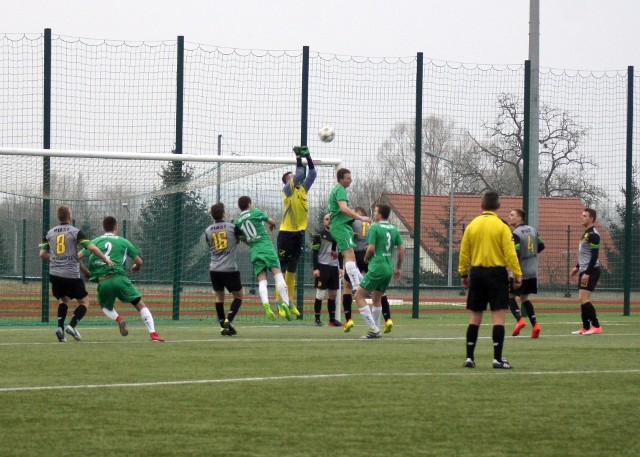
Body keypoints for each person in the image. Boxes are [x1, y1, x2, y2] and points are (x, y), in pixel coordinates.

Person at [458, 191, 522, 369]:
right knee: (498, 317)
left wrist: (464, 273)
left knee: (475, 317)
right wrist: (518, 274)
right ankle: (497, 359)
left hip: (477, 273)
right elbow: (510, 253)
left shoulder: (472, 225)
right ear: (498, 207)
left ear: (481, 206)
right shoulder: (502, 227)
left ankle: (469, 358)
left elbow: (464, 252)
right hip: (497, 274)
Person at [80, 216, 165, 342]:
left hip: (103, 282)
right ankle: (153, 334)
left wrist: (86, 272)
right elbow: (139, 261)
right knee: (140, 305)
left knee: (105, 307)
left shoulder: (95, 241)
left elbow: (78, 257)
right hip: (119, 278)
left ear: (103, 227)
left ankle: (119, 319)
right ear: (116, 227)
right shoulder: (123, 242)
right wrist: (137, 266)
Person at [39, 205, 115, 342]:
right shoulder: (75, 232)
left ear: (58, 217)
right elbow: (91, 247)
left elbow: (42, 254)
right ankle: (72, 326)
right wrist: (104, 258)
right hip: (70, 274)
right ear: (70, 216)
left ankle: (60, 329)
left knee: (64, 300)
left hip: (55, 274)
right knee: (84, 302)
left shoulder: (49, 233)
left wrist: (55, 260)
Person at [234, 196, 292, 321]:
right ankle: (286, 303)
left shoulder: (237, 221)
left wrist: (250, 241)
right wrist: (272, 225)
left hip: (255, 250)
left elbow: (239, 237)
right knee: (278, 275)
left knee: (262, 280)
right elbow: (271, 221)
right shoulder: (255, 212)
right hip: (266, 246)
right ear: (249, 203)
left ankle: (266, 304)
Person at [352, 204, 405, 339]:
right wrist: (398, 267)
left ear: (380, 215)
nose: (374, 213)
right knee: (377, 298)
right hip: (388, 268)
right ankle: (376, 330)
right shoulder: (394, 229)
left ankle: (372, 328)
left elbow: (370, 248)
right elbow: (402, 250)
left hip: (377, 267)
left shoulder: (374, 227)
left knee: (358, 296)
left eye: (376, 211)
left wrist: (365, 258)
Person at [276, 146, 317, 317]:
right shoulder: (288, 189)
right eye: (290, 177)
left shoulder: (302, 189)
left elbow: (312, 174)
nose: (294, 177)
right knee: (283, 269)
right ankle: (280, 304)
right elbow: (300, 174)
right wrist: (299, 157)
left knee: (293, 268)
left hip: (299, 234)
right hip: (286, 233)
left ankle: (289, 301)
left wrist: (309, 157)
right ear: (287, 181)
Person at [342, 206, 395, 334]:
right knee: (379, 291)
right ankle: (387, 318)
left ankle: (348, 319)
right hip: (372, 258)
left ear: (357, 214)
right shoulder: (373, 224)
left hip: (357, 255)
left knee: (347, 287)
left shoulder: (352, 221)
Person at [328, 168, 372, 301]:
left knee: (351, 256)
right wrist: (361, 218)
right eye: (348, 178)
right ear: (340, 180)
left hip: (343, 227)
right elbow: (343, 209)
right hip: (339, 226)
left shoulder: (340, 190)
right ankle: (357, 286)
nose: (350, 180)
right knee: (350, 257)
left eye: (350, 177)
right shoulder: (340, 189)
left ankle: (359, 284)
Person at [205, 202, 243, 336]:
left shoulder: (208, 230)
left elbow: (210, 244)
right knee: (238, 296)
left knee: (219, 297)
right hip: (230, 269)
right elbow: (238, 241)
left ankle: (223, 327)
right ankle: (229, 320)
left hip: (214, 269)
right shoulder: (232, 227)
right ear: (223, 214)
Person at [508, 209, 545, 338]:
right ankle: (535, 325)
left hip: (521, 270)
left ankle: (519, 320)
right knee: (525, 298)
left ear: (520, 219)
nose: (509, 217)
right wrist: (531, 255)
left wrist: (516, 273)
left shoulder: (516, 233)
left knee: (510, 296)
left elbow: (516, 253)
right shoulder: (533, 230)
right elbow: (541, 246)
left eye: (512, 215)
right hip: (532, 270)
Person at [570, 208, 603, 335]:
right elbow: (586, 255)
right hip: (584, 270)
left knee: (584, 298)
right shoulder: (586, 233)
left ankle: (596, 326)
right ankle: (585, 327)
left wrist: (587, 273)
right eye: (582, 215)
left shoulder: (593, 234)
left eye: (584, 216)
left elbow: (594, 256)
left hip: (591, 271)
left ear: (591, 218)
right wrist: (577, 267)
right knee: (582, 299)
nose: (581, 217)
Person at [311, 213, 343, 326]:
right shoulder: (319, 235)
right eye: (326, 219)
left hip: (334, 268)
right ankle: (317, 319)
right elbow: (314, 253)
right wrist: (315, 268)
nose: (328, 221)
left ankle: (332, 320)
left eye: (330, 219)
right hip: (322, 267)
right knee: (320, 293)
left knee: (333, 294)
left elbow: (341, 254)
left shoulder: (338, 236)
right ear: (324, 222)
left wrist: (341, 268)